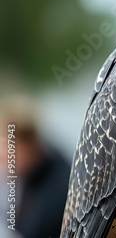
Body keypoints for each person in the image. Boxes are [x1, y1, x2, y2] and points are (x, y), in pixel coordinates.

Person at [0, 96, 71, 238]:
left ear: (27, 144)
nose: (4, 165)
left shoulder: (59, 190)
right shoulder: (32, 170)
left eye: (8, 156)